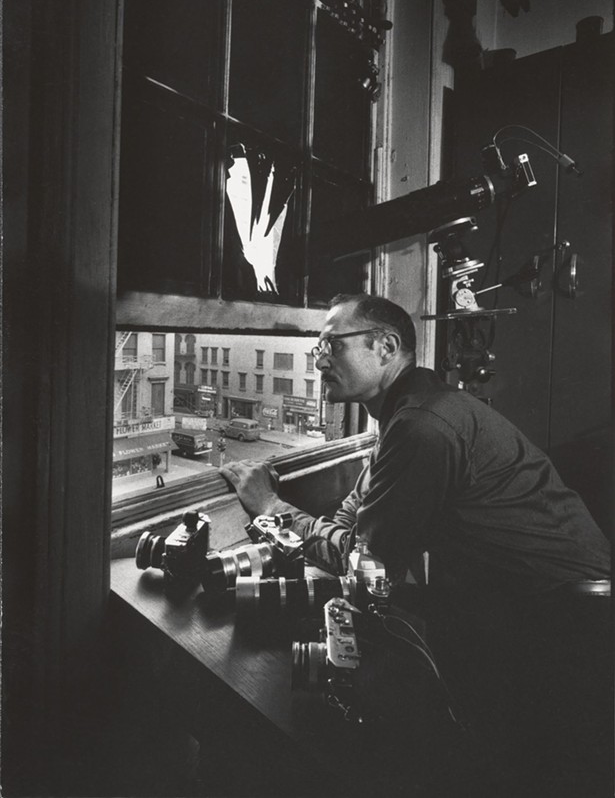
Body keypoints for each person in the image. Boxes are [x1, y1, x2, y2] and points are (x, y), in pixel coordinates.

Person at [221, 293, 612, 794]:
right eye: (317, 348)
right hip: (528, 604)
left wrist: (271, 507)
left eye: (332, 345)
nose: (319, 361)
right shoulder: (406, 412)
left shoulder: (423, 425)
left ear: (385, 347)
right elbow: (357, 512)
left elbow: (364, 562)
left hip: (566, 621)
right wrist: (320, 531)